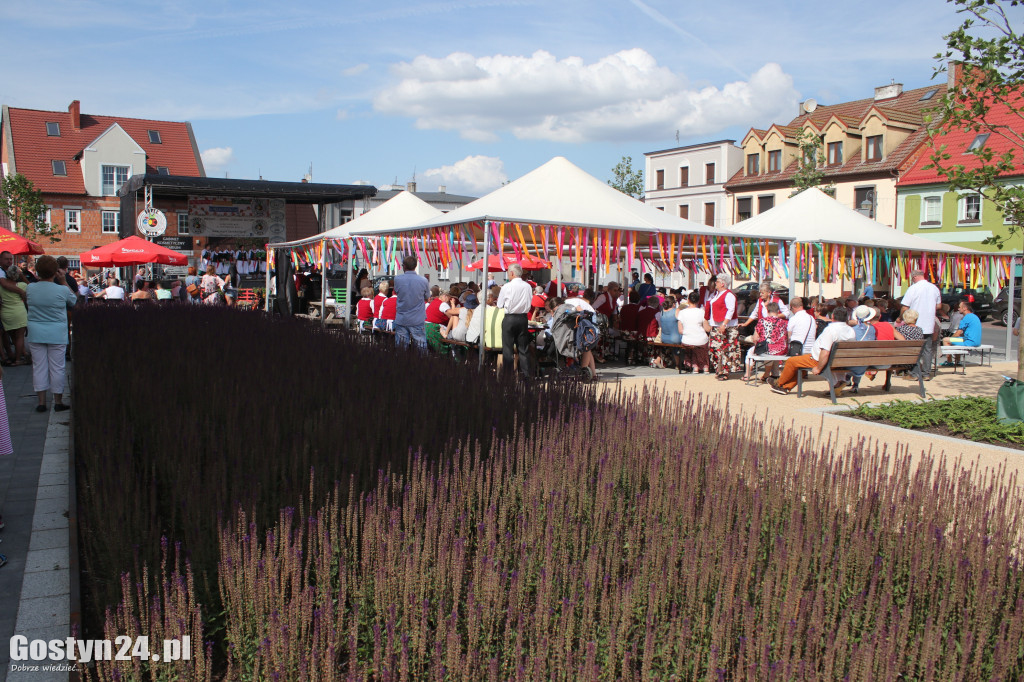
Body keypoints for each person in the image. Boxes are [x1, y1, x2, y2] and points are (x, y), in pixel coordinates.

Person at [26, 256, 77, 412]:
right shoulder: (61, 289)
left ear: (38, 271)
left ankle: (41, 402)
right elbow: (74, 300)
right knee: (57, 367)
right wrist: (63, 282)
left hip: (35, 332)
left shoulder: (30, 288)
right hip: (56, 332)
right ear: (55, 272)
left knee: (39, 367)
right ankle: (58, 401)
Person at [770, 306, 856, 395]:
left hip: (821, 360)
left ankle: (779, 383)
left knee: (791, 361)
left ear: (833, 316)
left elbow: (825, 352)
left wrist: (819, 368)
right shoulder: (851, 330)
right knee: (801, 366)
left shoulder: (831, 330)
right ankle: (785, 387)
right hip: (841, 362)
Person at [900, 269, 941, 380]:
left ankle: (914, 373)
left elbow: (905, 306)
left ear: (914, 277)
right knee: (927, 349)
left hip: (915, 323)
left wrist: (900, 318)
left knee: (914, 350)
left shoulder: (913, 288)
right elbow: (939, 305)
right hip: (928, 323)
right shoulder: (934, 288)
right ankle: (926, 373)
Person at [496, 263, 533, 378]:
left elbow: (499, 304)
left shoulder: (507, 286)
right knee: (523, 349)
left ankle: (508, 376)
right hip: (523, 318)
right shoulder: (528, 286)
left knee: (508, 349)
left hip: (510, 318)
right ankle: (527, 377)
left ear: (512, 273)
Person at [705, 273, 741, 380]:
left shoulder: (729, 295)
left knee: (726, 349)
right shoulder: (716, 294)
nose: (715, 283)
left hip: (726, 326)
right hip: (716, 325)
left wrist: (724, 324)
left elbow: (731, 310)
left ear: (722, 284)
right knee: (714, 348)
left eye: (717, 282)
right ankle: (719, 368)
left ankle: (724, 371)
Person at [742, 301, 788, 382]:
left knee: (750, 352)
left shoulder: (762, 321)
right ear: (778, 311)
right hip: (781, 349)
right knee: (772, 350)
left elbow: (755, 338)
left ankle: (748, 374)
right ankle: (770, 374)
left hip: (767, 349)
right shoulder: (783, 322)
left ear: (767, 311)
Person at [392, 256, 429, 349]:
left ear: (404, 266)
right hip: (417, 318)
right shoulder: (423, 280)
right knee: (421, 348)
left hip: (402, 318)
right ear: (415, 266)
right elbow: (427, 297)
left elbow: (396, 292)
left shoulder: (397, 279)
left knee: (401, 349)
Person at [941, 299, 982, 368]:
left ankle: (949, 361)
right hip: (976, 341)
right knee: (957, 340)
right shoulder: (974, 316)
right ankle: (958, 361)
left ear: (965, 308)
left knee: (945, 340)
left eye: (960, 307)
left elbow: (958, 333)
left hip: (969, 342)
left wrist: (950, 339)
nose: (958, 308)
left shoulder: (966, 318)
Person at [677, 291, 712, 373]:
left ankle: (694, 366)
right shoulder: (702, 312)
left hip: (687, 339)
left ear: (688, 300)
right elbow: (707, 328)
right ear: (698, 301)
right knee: (701, 346)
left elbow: (680, 331)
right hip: (701, 339)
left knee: (691, 347)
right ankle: (705, 366)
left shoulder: (682, 313)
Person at [1, 266, 28, 365]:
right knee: (20, 337)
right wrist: (22, 276)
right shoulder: (22, 285)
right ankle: (18, 359)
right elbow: (29, 288)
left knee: (13, 336)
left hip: (6, 313)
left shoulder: (2, 286)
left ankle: (14, 356)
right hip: (19, 312)